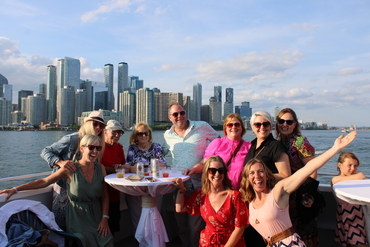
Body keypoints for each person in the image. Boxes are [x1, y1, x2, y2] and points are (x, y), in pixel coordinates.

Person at [239, 131, 357, 247]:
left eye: (261, 171)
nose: (257, 176)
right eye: (252, 173)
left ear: (266, 174)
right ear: (247, 178)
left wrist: (335, 148)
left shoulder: (278, 192)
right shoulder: (250, 200)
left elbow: (309, 168)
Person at [1, 135, 114, 247]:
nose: (95, 151)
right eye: (91, 147)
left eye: (98, 148)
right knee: (83, 241)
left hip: (97, 215)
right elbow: (45, 181)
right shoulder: (70, 169)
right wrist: (16, 189)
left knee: (106, 241)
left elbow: (105, 195)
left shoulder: (100, 168)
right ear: (82, 148)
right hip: (77, 217)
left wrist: (105, 218)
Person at [162, 103, 219, 247]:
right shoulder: (167, 135)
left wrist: (204, 162)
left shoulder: (202, 126)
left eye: (182, 113)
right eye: (175, 114)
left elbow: (218, 143)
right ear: (170, 117)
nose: (179, 116)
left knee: (196, 228)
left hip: (201, 184)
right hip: (179, 185)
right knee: (181, 226)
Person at [40, 111, 106, 229]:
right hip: (64, 192)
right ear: (87, 123)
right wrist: (60, 162)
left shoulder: (97, 144)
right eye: (95, 124)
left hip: (82, 193)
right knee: (62, 227)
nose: (98, 128)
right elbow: (45, 151)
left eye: (101, 126)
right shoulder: (73, 139)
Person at [172, 155, 249, 247]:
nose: (217, 174)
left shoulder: (234, 196)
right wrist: (181, 189)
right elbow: (180, 208)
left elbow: (240, 228)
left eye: (221, 171)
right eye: (212, 171)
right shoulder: (202, 195)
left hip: (231, 243)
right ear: (206, 173)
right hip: (208, 242)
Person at [243, 111, 291, 247]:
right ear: (252, 127)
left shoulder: (276, 146)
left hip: (270, 203)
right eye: (257, 124)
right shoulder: (251, 146)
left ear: (271, 126)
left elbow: (286, 175)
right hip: (253, 201)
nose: (262, 127)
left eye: (266, 124)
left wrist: (260, 178)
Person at [275, 108, 318, 246]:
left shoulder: (299, 142)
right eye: (281, 121)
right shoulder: (279, 142)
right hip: (286, 196)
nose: (285, 124)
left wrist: (307, 196)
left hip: (301, 197)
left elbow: (312, 168)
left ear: (295, 124)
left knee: (304, 235)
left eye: (289, 121)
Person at [125, 122, 167, 232]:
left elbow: (163, 165)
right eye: (140, 134)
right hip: (136, 188)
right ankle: (140, 242)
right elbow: (129, 167)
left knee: (154, 219)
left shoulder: (156, 147)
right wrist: (151, 166)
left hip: (154, 188)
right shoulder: (132, 149)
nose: (144, 136)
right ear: (135, 136)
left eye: (146, 133)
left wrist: (140, 167)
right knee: (137, 219)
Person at [202, 113, 251, 190]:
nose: (234, 127)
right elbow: (204, 164)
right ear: (225, 128)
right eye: (230, 125)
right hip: (218, 190)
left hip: (239, 192)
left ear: (242, 127)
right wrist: (192, 170)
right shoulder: (217, 143)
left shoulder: (248, 147)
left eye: (237, 124)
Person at [332, 152, 368, 247]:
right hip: (348, 219)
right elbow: (359, 176)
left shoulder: (354, 180)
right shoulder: (336, 179)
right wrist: (358, 175)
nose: (353, 169)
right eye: (350, 165)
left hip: (359, 219)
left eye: (355, 166)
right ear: (340, 165)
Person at [101, 120, 126, 235]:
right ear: (105, 131)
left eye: (119, 133)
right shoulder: (97, 146)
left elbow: (123, 167)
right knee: (100, 230)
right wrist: (112, 169)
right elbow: (95, 167)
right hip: (99, 196)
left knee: (113, 228)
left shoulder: (119, 148)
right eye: (114, 132)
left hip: (115, 195)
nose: (117, 135)